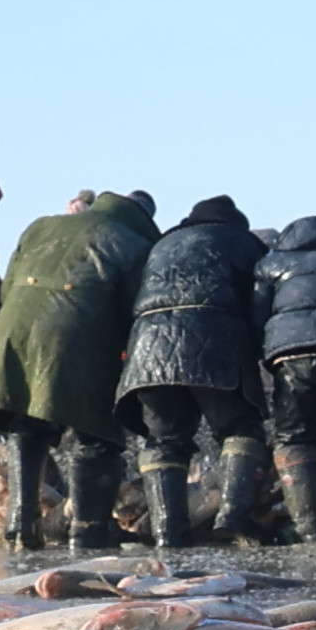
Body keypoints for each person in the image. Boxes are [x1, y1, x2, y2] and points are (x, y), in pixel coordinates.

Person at [0, 186, 149, 551]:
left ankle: (19, 523)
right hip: (79, 337)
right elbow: (135, 310)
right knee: (96, 435)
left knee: (26, 426)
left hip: (12, 334)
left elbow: (8, 285)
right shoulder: (132, 241)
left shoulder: (41, 226)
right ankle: (88, 528)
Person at [119, 195, 272, 546]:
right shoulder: (243, 242)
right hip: (214, 335)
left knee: (164, 440)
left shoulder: (162, 244)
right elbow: (260, 300)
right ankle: (234, 516)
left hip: (148, 343)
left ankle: (167, 532)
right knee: (240, 427)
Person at [256, 196, 316, 549]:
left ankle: (308, 529)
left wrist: (263, 349)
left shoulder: (274, 262)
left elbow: (258, 311)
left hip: (290, 353)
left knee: (295, 437)